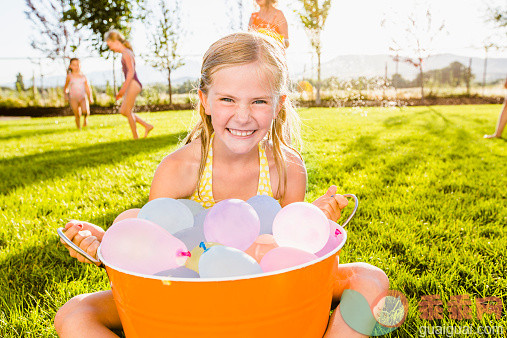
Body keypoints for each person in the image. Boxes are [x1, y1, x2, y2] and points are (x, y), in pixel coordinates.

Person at [54, 32, 388, 338]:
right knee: (75, 313)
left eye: (259, 101)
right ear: (205, 100)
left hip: (264, 295)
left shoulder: (286, 168)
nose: (243, 116)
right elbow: (154, 260)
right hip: (190, 295)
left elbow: (288, 261)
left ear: (278, 105)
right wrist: (107, 249)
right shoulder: (179, 169)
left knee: (371, 279)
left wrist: (312, 219)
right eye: (228, 99)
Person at [104, 30, 153, 139]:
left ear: (115, 41)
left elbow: (130, 72)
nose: (110, 48)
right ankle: (147, 126)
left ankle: (136, 137)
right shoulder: (125, 53)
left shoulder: (126, 53)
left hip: (134, 83)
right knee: (123, 111)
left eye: (110, 45)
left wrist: (122, 90)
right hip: (132, 84)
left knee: (127, 111)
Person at [64, 58, 93, 130]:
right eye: (74, 65)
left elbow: (87, 88)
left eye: (77, 65)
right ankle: (78, 128)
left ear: (80, 66)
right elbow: (66, 87)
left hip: (83, 97)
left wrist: (90, 97)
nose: (76, 67)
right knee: (77, 114)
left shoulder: (83, 76)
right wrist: (65, 95)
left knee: (85, 111)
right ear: (70, 66)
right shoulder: (69, 76)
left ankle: (85, 119)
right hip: (73, 98)